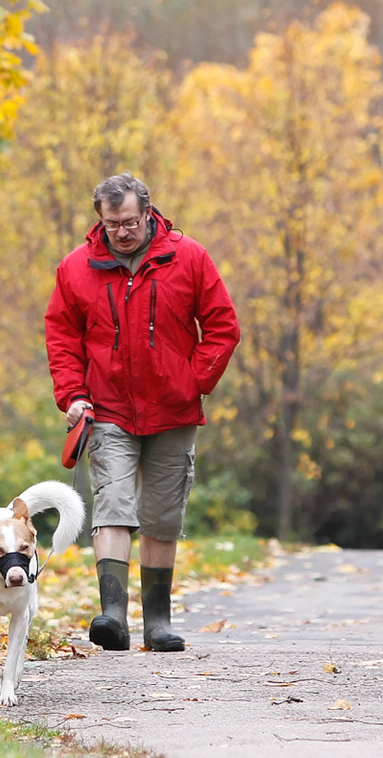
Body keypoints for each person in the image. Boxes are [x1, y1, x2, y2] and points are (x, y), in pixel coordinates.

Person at [44, 173, 240, 652]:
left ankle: (157, 622)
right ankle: (113, 615)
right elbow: (62, 337)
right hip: (106, 407)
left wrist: (193, 382)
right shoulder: (76, 268)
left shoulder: (188, 257)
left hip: (173, 410)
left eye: (130, 222)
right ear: (100, 220)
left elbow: (222, 325)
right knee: (111, 504)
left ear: (148, 212)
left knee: (162, 515)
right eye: (113, 224)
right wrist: (72, 395)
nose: (123, 231)